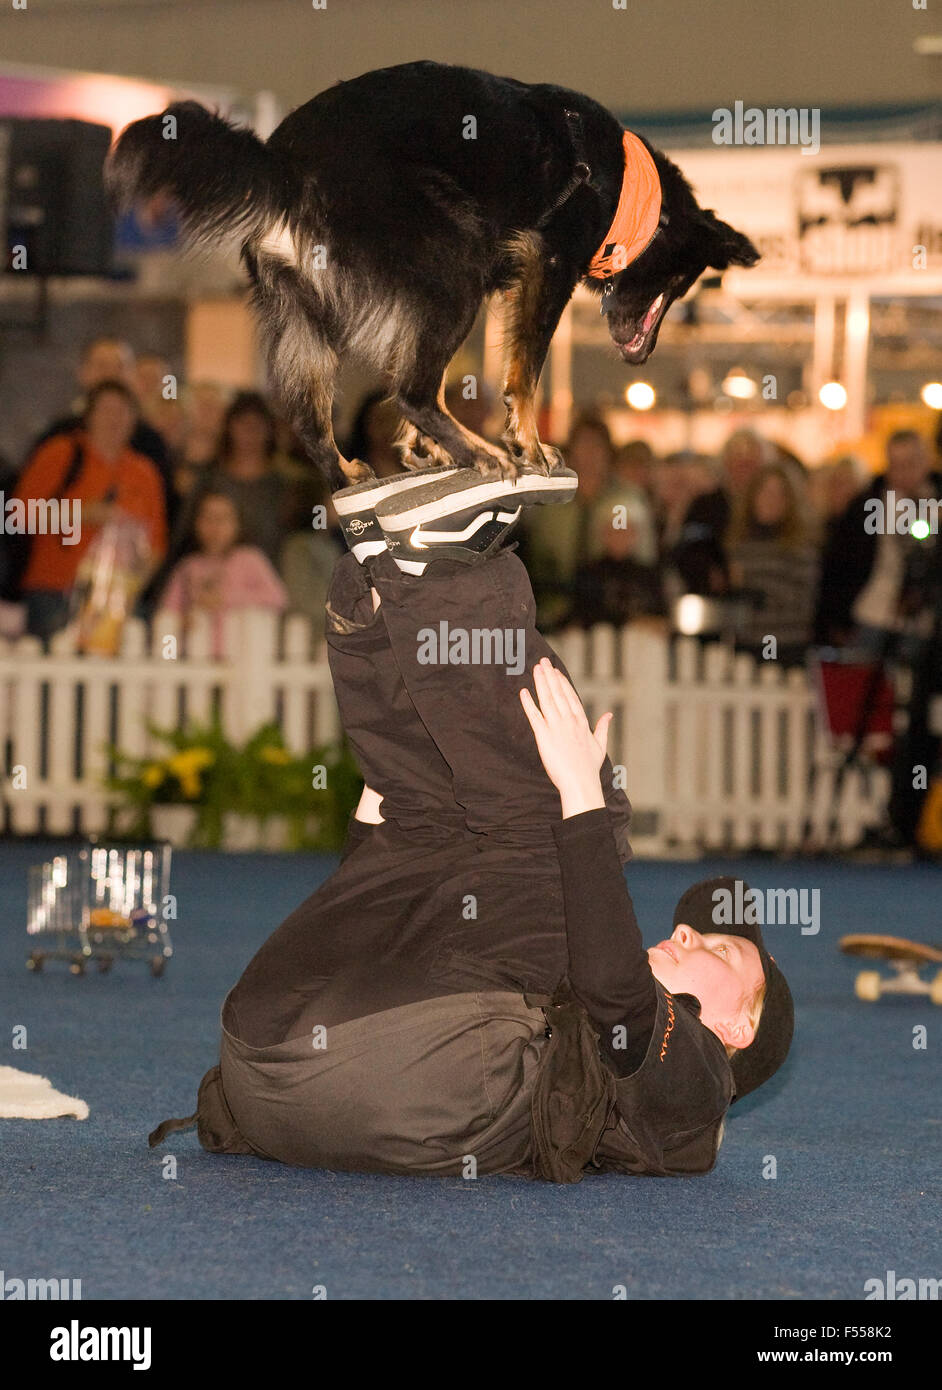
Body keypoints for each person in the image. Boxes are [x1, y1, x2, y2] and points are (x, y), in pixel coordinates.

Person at [151, 466, 793, 1181]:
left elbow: (616, 997)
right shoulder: (604, 1020)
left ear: (740, 1027)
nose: (685, 933)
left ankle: (444, 569)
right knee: (432, 816)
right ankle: (378, 591)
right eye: (703, 931)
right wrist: (384, 829)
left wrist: (581, 800)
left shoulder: (702, 1090)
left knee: (581, 829)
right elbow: (386, 928)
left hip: (362, 1076)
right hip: (276, 1056)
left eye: (724, 951)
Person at [12, 380, 167, 644]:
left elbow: (156, 544)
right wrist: (82, 514)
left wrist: (128, 588)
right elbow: (18, 515)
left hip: (115, 600)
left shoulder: (144, 472)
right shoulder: (60, 452)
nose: (114, 419)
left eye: (122, 411)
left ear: (134, 420)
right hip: (55, 591)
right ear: (89, 416)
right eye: (106, 410)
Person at [27, 335, 174, 520]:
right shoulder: (59, 437)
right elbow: (22, 513)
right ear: (83, 373)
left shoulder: (150, 442)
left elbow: (163, 515)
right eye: (102, 366)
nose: (110, 374)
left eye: (119, 367)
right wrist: (79, 515)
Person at [157, 486, 287, 657]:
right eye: (208, 518)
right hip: (197, 657)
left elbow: (278, 598)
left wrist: (226, 598)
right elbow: (168, 612)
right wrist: (181, 623)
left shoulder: (250, 559)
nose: (215, 526)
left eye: (223, 518)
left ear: (238, 522)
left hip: (241, 658)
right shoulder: (188, 567)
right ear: (195, 522)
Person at [726, 462, 820, 665]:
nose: (771, 501)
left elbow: (804, 601)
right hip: (745, 643)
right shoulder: (739, 544)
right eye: (765, 493)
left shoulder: (800, 547)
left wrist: (750, 589)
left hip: (784, 644)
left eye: (779, 495)